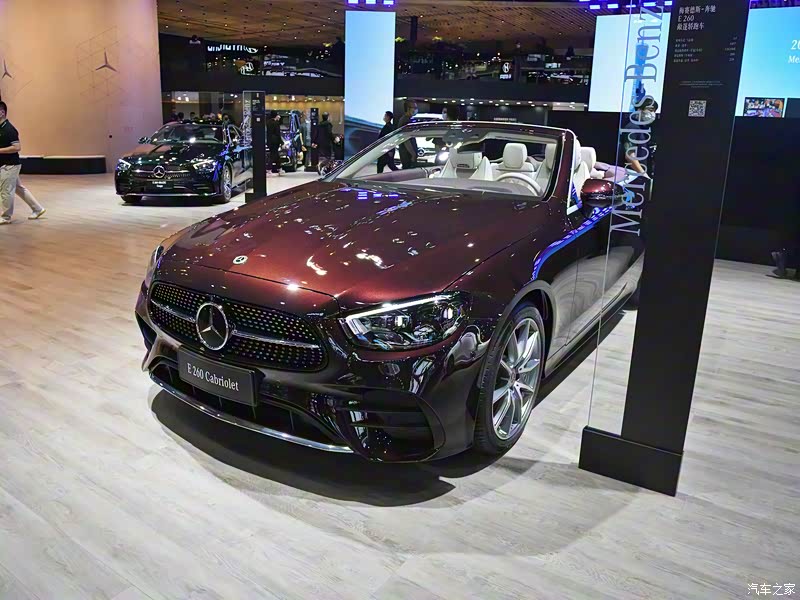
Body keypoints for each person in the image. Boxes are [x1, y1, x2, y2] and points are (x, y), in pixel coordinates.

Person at [0, 101, 46, 224]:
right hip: (6, 165)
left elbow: (17, 147)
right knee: (19, 188)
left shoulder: (9, 129)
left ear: (2, 112)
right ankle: (38, 209)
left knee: (6, 191)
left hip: (10, 165)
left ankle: (5, 217)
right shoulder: (1, 128)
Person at [396, 100, 419, 169]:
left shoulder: (408, 119)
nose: (416, 110)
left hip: (408, 153)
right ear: (408, 108)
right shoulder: (405, 121)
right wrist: (413, 154)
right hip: (407, 154)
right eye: (414, 107)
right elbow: (406, 139)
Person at [266, 110, 283, 176]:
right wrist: (282, 142)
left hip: (269, 141)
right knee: (273, 155)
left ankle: (279, 168)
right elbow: (278, 134)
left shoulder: (268, 122)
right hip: (275, 141)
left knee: (276, 154)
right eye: (278, 115)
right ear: (276, 116)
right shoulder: (276, 123)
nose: (279, 116)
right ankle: (269, 169)